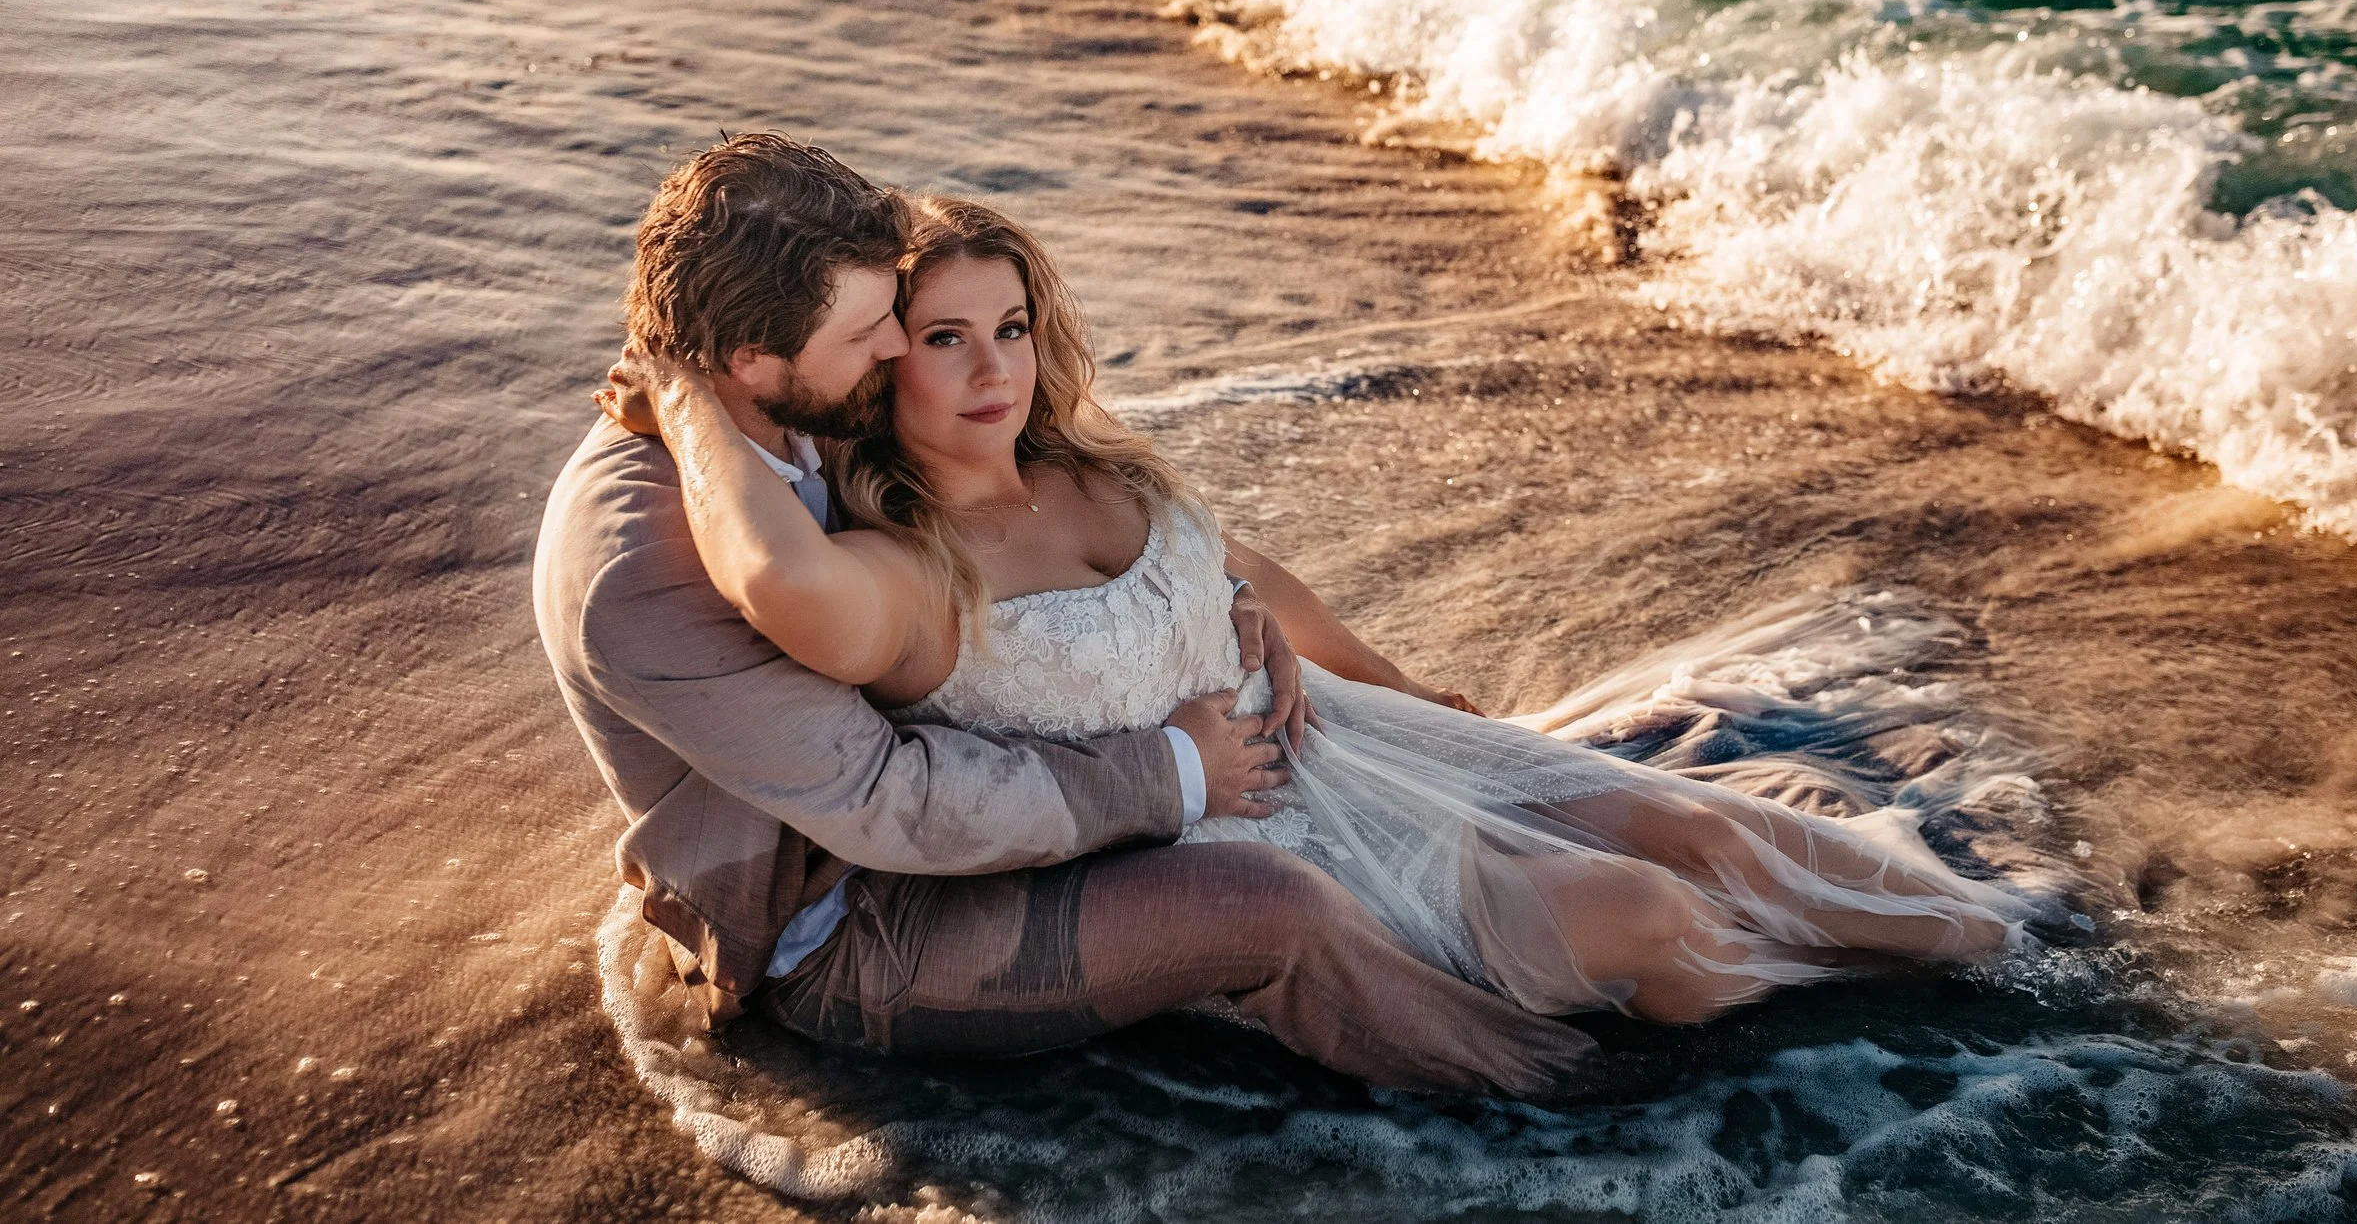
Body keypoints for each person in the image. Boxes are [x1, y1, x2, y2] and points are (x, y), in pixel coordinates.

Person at [599, 190, 2057, 1040]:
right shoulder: (902, 568)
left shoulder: (1091, 467)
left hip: (1352, 739)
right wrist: (681, 389)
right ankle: (1893, 1036)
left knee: (1718, 830)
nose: (993, 368)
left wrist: (1413, 688)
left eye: (1013, 326)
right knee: (1655, 912)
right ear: (874, 368)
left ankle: (2047, 981)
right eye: (938, 338)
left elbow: (1246, 582)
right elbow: (777, 578)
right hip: (1238, 831)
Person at [534, 133, 1598, 1096]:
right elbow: (889, 801)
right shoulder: (639, 567)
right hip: (854, 924)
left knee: (1512, 809)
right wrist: (1169, 766)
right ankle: (1592, 1113)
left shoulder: (787, 398)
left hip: (982, 816)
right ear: (746, 360)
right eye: (871, 334)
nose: (901, 352)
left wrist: (1204, 605)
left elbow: (993, 504)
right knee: (1268, 906)